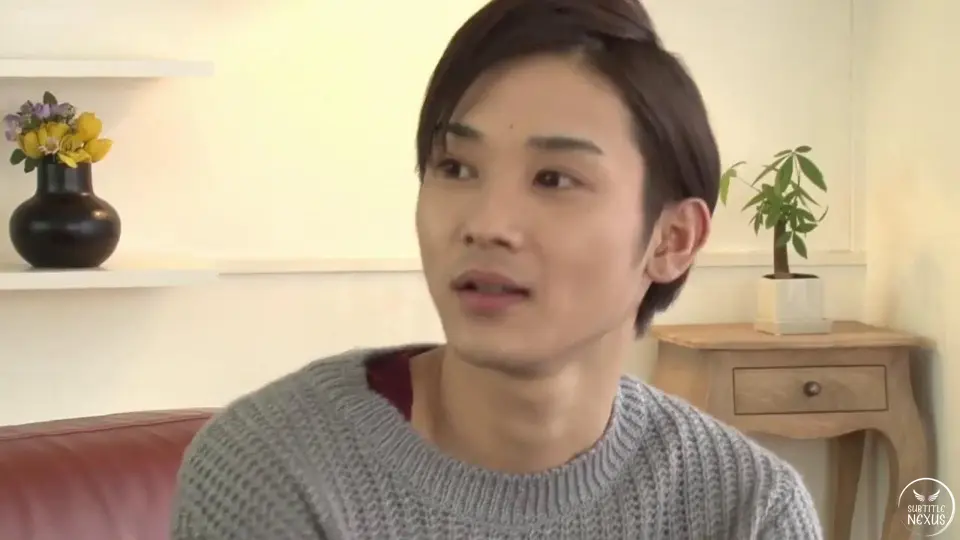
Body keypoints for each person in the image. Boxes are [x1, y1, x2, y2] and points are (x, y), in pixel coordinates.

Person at [170, 0, 823, 538]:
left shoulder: (748, 509)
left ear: (672, 240)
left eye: (553, 179)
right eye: (456, 168)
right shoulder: (272, 470)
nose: (486, 223)